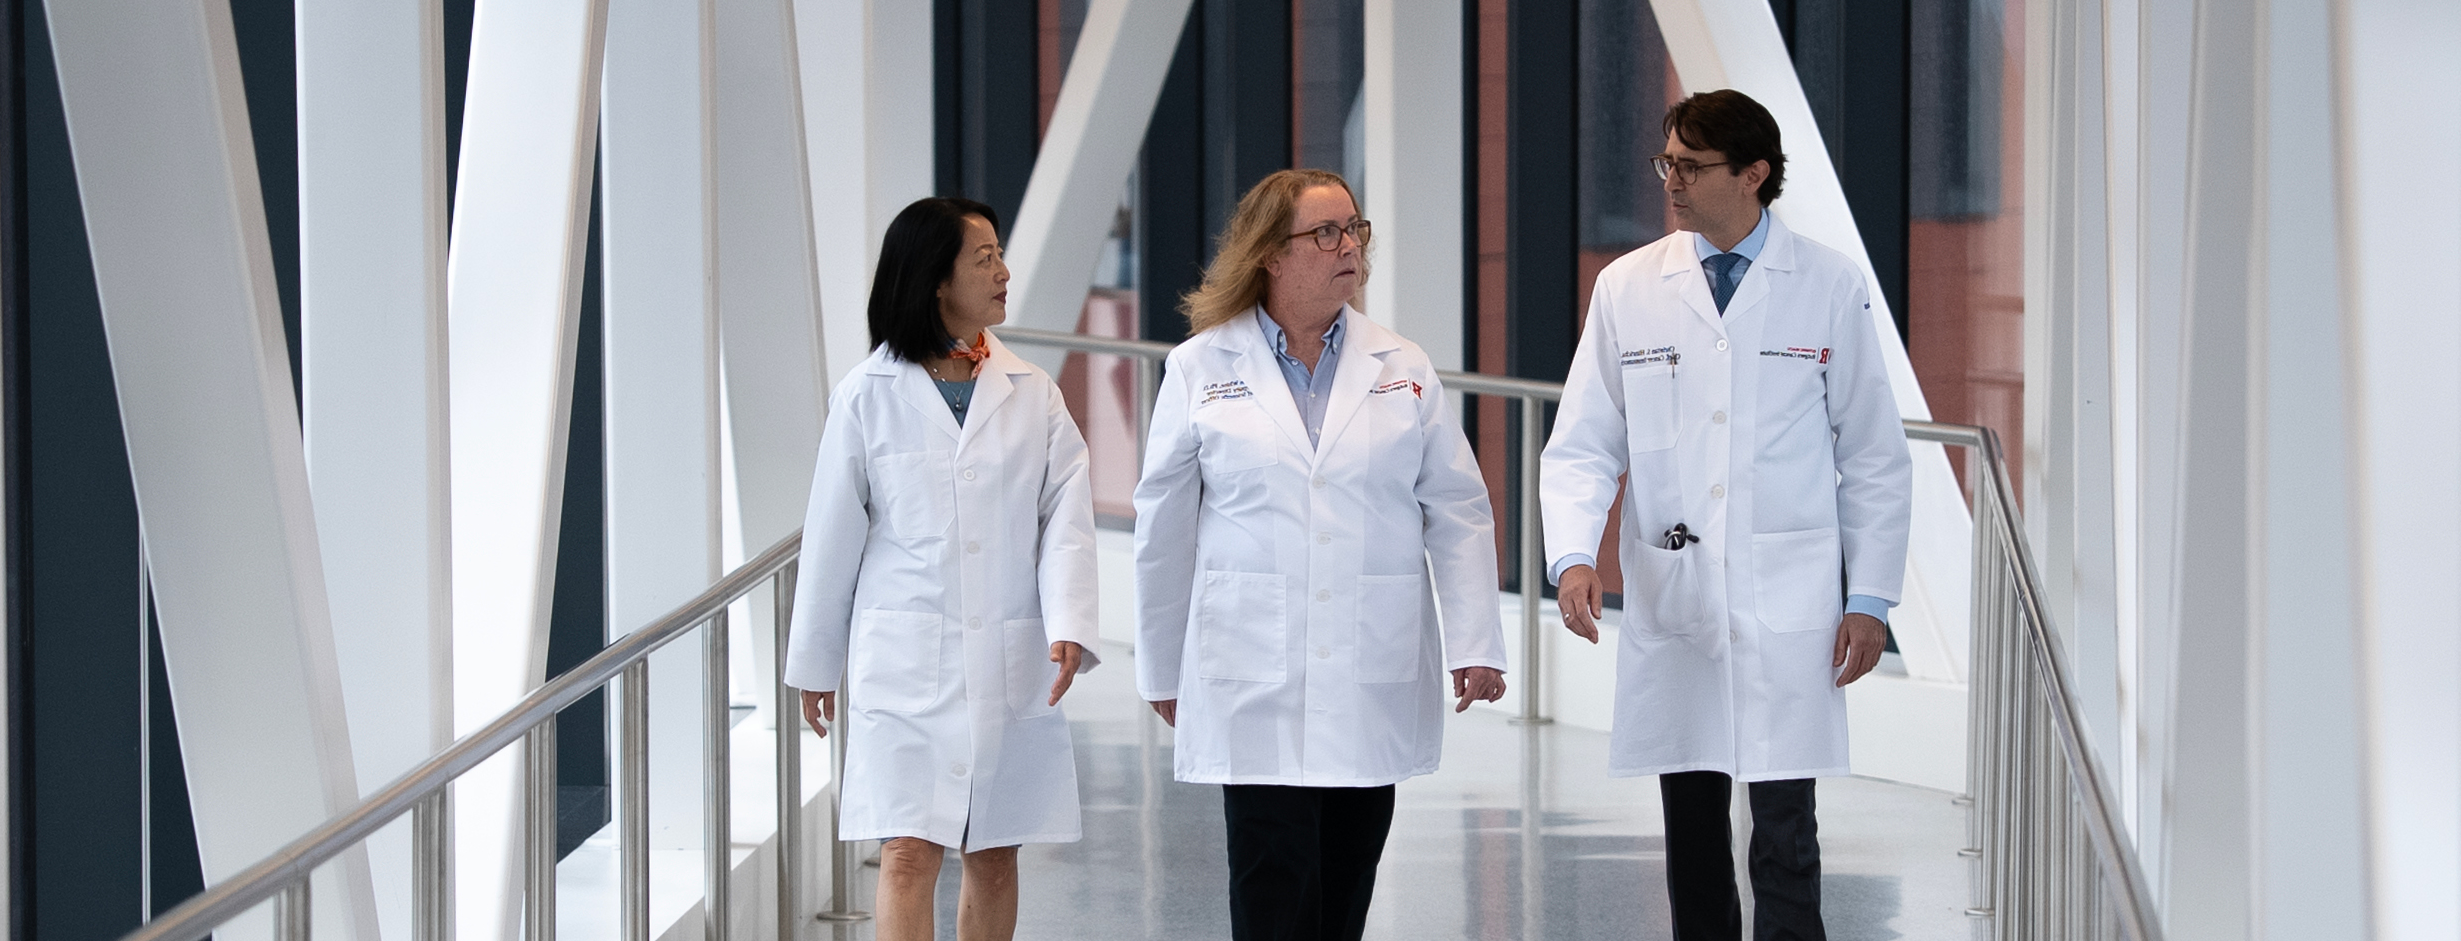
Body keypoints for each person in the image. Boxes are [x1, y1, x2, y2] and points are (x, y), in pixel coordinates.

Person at [1537, 89, 1914, 941]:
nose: (1671, 179)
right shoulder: (1629, 287)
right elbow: (1584, 442)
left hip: (1790, 592)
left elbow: (1874, 456)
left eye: (1691, 164)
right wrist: (1573, 554)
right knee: (1691, 821)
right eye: (1666, 160)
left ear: (1754, 174)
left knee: (1785, 826)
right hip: (1680, 593)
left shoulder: (1826, 283)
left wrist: (1872, 598)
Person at [1133, 169, 1506, 941]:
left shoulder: (1401, 367)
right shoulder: (1202, 368)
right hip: (1249, 666)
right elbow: (1163, 525)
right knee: (1271, 885)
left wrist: (1476, 642)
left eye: (1354, 229)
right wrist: (1161, 665)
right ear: (1270, 253)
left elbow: (1458, 509)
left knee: (1343, 889)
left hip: (1368, 663)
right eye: (1326, 233)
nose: (1349, 248)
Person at [783, 197, 1099, 941]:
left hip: (1008, 652)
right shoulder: (867, 396)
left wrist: (1073, 621)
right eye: (983, 257)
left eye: (999, 254)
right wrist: (814, 662)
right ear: (934, 279)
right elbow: (833, 533)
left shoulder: (1033, 394)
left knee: (993, 850)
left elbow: (1067, 517)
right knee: (906, 851)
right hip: (905, 659)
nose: (1002, 271)